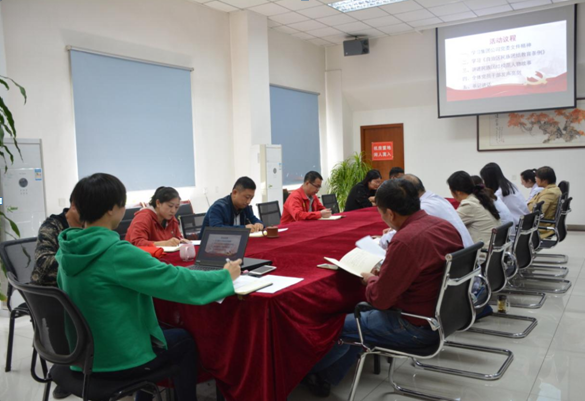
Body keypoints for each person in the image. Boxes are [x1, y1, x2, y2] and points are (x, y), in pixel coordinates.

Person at [56, 173, 241, 401]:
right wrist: (224, 277)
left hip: (82, 356)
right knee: (184, 340)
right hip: (119, 358)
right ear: (112, 209)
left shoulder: (67, 248)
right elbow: (175, 280)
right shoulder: (116, 253)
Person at [302, 179, 463, 397]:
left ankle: (315, 374)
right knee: (359, 320)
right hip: (445, 317)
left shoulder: (405, 240)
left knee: (337, 325)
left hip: (415, 327)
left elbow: (380, 300)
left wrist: (370, 279)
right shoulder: (442, 226)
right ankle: (328, 376)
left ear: (389, 213)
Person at [30, 197, 82, 400]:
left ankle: (94, 360)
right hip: (50, 292)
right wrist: (80, 262)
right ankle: (64, 371)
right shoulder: (52, 226)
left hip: (77, 286)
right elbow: (44, 263)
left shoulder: (90, 224)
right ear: (74, 205)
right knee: (61, 315)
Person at [448, 171, 501, 245]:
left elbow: (448, 225)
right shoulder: (479, 198)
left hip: (484, 250)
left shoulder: (469, 205)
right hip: (494, 246)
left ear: (458, 192)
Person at [528, 166, 562, 239]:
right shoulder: (552, 189)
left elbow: (537, 212)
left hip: (540, 228)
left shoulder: (549, 193)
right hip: (540, 224)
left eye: (537, 177)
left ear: (544, 180)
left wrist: (530, 205)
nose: (535, 179)